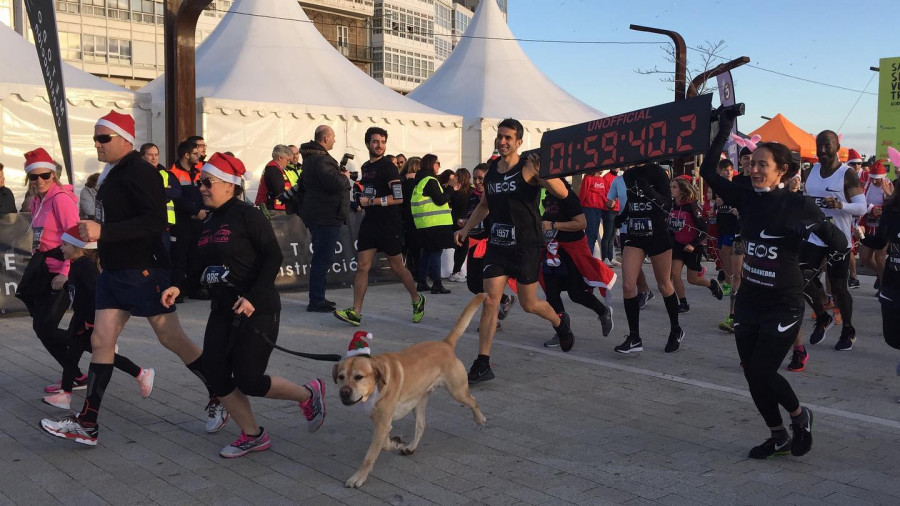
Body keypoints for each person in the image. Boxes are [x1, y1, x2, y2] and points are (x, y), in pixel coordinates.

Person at [40, 111, 227, 446]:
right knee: (100, 342)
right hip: (113, 272)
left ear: (124, 139)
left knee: (172, 339)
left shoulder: (141, 171)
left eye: (103, 138)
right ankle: (88, 423)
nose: (96, 144)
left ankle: (220, 393)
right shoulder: (113, 171)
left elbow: (155, 222)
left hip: (144, 270)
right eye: (95, 137)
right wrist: (94, 243)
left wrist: (104, 231)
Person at [701, 110, 846, 460]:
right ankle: (777, 434)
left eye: (763, 165)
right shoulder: (747, 196)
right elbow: (707, 173)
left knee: (764, 369)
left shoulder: (797, 205)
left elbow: (839, 242)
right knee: (752, 373)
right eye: (753, 164)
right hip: (751, 297)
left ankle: (800, 416)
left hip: (785, 301)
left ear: (782, 171)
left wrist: (811, 230)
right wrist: (722, 130)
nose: (755, 170)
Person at [160, 152, 326, 457]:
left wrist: (251, 296)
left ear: (228, 185)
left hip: (257, 308)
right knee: (215, 372)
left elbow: (273, 257)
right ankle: (253, 435)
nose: (202, 187)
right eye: (200, 182)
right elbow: (196, 269)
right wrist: (178, 286)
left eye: (207, 182)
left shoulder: (248, 215)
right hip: (222, 310)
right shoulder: (207, 222)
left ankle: (308, 392)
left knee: (249, 379)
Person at [454, 118, 575, 383]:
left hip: (526, 245)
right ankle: (482, 362)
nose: (502, 141)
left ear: (519, 142)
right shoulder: (493, 171)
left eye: (508, 137)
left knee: (529, 303)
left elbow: (563, 194)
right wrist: (465, 230)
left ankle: (559, 322)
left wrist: (545, 175)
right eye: (500, 136)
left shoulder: (529, 167)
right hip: (498, 245)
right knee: (489, 301)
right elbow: (484, 205)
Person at [42, 226, 154, 410]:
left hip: (87, 321)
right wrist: (66, 285)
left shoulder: (85, 266)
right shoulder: (77, 264)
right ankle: (66, 395)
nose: (61, 248)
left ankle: (141, 373)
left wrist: (91, 321)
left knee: (99, 356)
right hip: (81, 319)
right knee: (74, 356)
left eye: (65, 244)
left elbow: (95, 293)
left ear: (79, 247)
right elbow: (80, 289)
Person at [333, 127, 426, 326]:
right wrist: (361, 199)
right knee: (362, 267)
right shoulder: (366, 166)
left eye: (383, 142)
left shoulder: (389, 167)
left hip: (389, 224)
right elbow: (368, 191)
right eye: (376, 142)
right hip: (370, 223)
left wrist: (373, 202)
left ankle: (417, 299)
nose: (380, 145)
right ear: (367, 144)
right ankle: (356, 312)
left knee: (397, 267)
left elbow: (399, 198)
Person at [18, 148, 82, 391]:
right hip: (43, 269)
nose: (40, 181)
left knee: (45, 326)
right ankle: (75, 374)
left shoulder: (61, 199)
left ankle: (97, 345)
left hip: (62, 269)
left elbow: (74, 236)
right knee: (41, 327)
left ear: (54, 175)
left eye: (45, 175)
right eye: (34, 177)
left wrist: (65, 272)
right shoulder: (36, 201)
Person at [613, 159, 685, 354]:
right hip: (635, 234)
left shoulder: (657, 173)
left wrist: (650, 192)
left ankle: (676, 329)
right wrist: (622, 216)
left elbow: (667, 204)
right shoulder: (628, 175)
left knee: (664, 284)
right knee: (628, 285)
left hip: (657, 234)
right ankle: (634, 337)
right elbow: (632, 200)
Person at [804, 130, 864, 351]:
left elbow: (861, 206)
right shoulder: (812, 171)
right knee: (803, 277)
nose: (821, 150)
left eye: (827, 146)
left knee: (839, 288)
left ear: (838, 147)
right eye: (819, 145)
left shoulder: (847, 174)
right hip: (815, 236)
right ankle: (822, 317)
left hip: (838, 239)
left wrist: (841, 205)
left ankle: (848, 329)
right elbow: (806, 200)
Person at [540, 180, 616, 347]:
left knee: (576, 294)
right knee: (551, 294)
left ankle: (603, 312)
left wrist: (553, 224)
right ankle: (562, 332)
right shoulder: (550, 197)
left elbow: (582, 223)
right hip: (554, 251)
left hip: (572, 253)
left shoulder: (569, 197)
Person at [301, 126, 352, 312]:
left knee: (322, 258)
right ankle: (316, 300)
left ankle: (319, 297)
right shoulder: (320, 160)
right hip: (325, 215)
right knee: (322, 258)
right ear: (325, 138)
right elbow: (334, 183)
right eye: (333, 137)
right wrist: (344, 177)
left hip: (323, 214)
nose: (335, 141)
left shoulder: (312, 159)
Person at [668, 176, 724, 313]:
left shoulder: (692, 206)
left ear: (682, 190)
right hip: (677, 246)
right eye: (670, 187)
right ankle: (683, 303)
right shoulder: (672, 205)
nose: (671, 190)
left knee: (692, 279)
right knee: (674, 274)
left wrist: (693, 244)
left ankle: (711, 285)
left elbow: (703, 230)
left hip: (693, 247)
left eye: (674, 187)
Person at [607, 167, 654, 308]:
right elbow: (610, 200)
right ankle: (644, 290)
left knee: (661, 272)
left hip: (647, 225)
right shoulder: (617, 181)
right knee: (630, 263)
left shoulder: (647, 177)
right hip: (625, 226)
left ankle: (670, 293)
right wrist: (611, 204)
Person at [412, 154, 455, 294]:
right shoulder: (430, 180)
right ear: (431, 164)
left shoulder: (419, 180)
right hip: (435, 223)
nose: (439, 166)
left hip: (424, 223)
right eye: (438, 163)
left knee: (426, 252)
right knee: (436, 252)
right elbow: (441, 200)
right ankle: (437, 283)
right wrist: (451, 189)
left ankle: (422, 282)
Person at [169, 140, 204, 291]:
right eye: (195, 154)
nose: (199, 156)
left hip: (197, 221)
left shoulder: (196, 172)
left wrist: (202, 211)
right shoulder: (173, 173)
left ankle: (194, 288)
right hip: (181, 222)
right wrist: (195, 212)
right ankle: (177, 289)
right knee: (179, 256)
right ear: (186, 155)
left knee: (195, 255)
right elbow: (177, 198)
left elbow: (201, 193)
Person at [859, 160, 892, 293]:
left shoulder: (888, 185)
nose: (875, 182)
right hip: (868, 224)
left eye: (877, 180)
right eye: (872, 179)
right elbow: (860, 202)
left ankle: (885, 287)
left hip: (882, 227)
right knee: (865, 258)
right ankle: (881, 275)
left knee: (880, 257)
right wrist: (872, 209)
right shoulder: (867, 185)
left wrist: (884, 206)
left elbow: (894, 204)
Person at [578, 170, 611, 259]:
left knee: (595, 234)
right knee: (590, 233)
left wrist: (607, 203)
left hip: (598, 208)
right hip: (589, 208)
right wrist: (579, 208)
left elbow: (602, 194)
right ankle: (588, 256)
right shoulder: (588, 178)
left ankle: (590, 255)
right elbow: (582, 193)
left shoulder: (601, 179)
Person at [399, 157, 422, 278]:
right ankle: (418, 272)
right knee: (417, 248)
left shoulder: (402, 180)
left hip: (407, 218)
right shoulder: (412, 183)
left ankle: (415, 271)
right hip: (415, 218)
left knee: (412, 248)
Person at [449, 168, 472, 282]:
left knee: (459, 247)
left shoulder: (455, 191)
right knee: (462, 248)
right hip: (464, 222)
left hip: (454, 220)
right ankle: (456, 271)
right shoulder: (470, 192)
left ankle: (455, 271)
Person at [254, 144, 294, 212]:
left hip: (274, 206)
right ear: (279, 158)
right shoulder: (273, 169)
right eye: (287, 160)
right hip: (272, 208)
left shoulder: (274, 167)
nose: (288, 163)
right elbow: (279, 190)